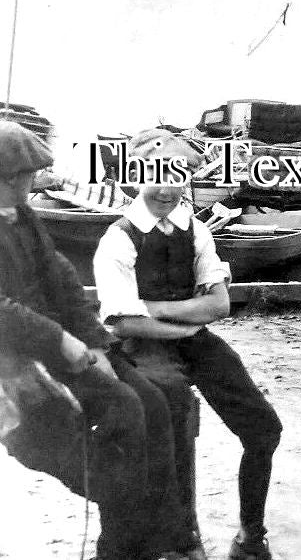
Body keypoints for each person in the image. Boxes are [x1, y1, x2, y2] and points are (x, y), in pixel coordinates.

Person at [0, 121, 194, 560]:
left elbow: (62, 280)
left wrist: (96, 344)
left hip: (60, 347)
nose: (34, 181)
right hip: (14, 370)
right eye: (28, 175)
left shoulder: (23, 214)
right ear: (9, 178)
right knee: (117, 433)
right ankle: (128, 543)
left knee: (153, 402)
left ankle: (157, 541)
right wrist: (61, 342)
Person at [94, 129, 282, 560]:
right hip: (140, 348)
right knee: (174, 427)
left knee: (264, 428)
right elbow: (123, 322)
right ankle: (182, 540)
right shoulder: (117, 239)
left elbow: (219, 305)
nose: (166, 189)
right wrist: (179, 322)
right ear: (135, 178)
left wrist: (154, 307)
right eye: (155, 176)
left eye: (176, 176)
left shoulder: (195, 231)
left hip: (193, 341)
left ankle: (251, 536)